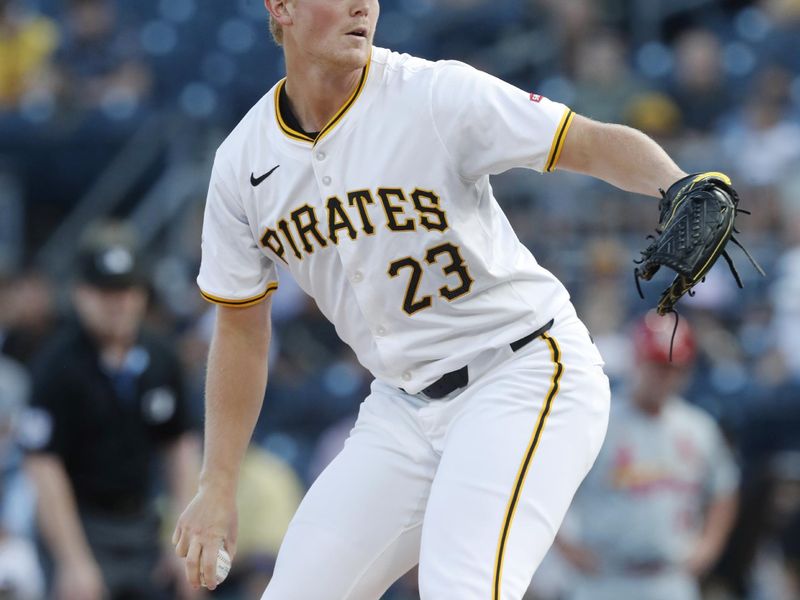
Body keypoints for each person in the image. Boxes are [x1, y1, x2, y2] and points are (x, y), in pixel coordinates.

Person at [172, 1, 731, 598]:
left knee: (462, 588)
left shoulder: (432, 94)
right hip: (401, 407)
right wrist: (218, 482)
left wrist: (672, 182)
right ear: (281, 7)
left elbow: (585, 141)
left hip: (521, 372)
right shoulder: (242, 164)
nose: (364, 5)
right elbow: (240, 327)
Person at [19, 223, 201, 600]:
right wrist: (73, 561)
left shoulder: (160, 357)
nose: (118, 303)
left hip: (142, 521)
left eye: (127, 290)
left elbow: (179, 446)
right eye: (104, 292)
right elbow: (43, 465)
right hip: (81, 524)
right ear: (80, 293)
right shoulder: (56, 365)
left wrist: (183, 539)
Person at [554, 313, 739, 600]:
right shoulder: (598, 420)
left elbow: (724, 489)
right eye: (656, 365)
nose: (664, 377)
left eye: (674, 368)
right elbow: (547, 485)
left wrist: (709, 546)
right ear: (637, 362)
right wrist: (563, 545)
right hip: (605, 578)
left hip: (670, 578)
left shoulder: (698, 428)